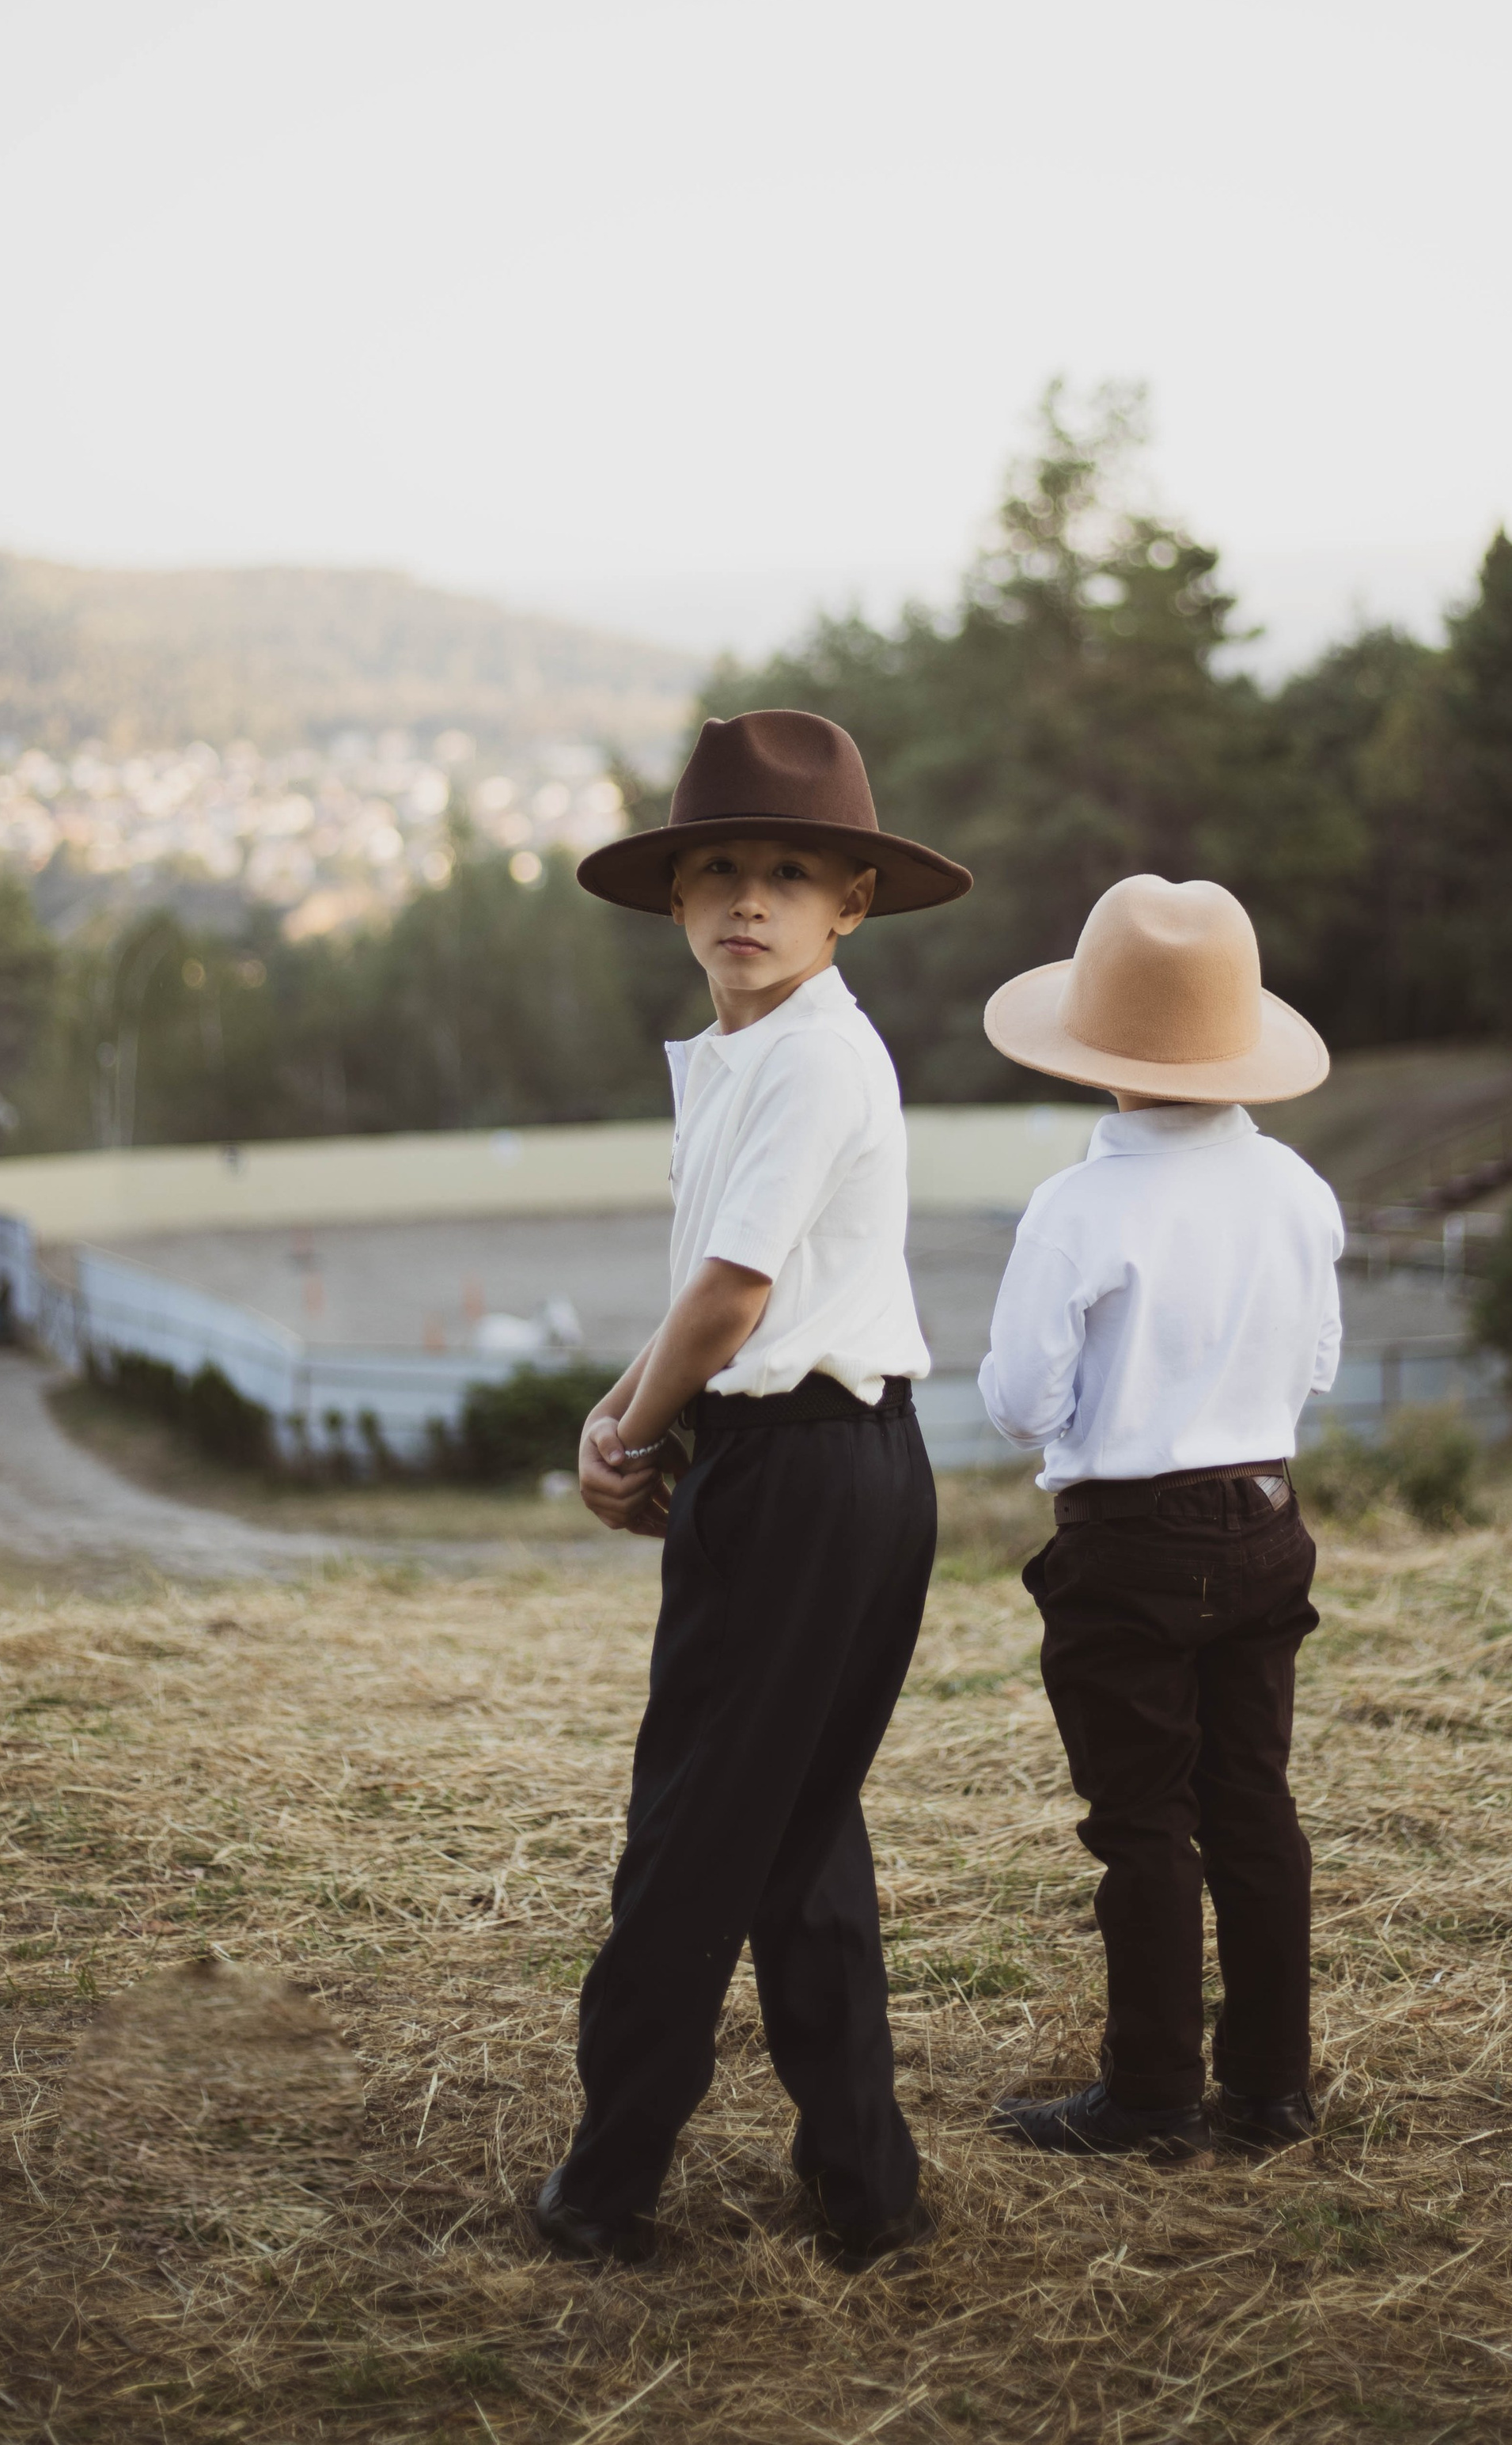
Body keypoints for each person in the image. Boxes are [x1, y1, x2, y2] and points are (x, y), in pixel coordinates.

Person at [528, 708, 971, 2269]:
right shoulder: (748, 1050)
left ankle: (602, 2190)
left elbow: (730, 1296)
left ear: (851, 902)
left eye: (790, 872)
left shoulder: (810, 1059)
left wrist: (638, 1436)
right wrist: (633, 1409)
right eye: (717, 867)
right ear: (671, 897)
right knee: (794, 1838)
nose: (748, 898)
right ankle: (866, 2191)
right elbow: (704, 1309)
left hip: (807, 1468)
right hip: (811, 1459)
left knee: (690, 1837)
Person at [976, 874, 1341, 2161]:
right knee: (1253, 1802)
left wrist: (1099, 1412)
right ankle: (1272, 2088)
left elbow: (1022, 1402)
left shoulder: (1080, 1207)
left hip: (1129, 1540)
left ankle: (1152, 2099)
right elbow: (1317, 1366)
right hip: (1267, 1516)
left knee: (1142, 1821)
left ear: (1093, 1049)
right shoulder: (1298, 1189)